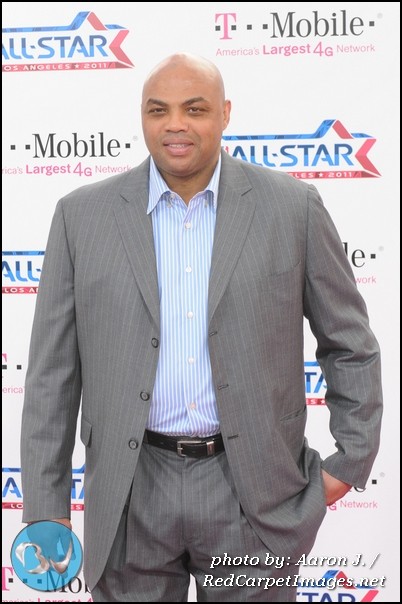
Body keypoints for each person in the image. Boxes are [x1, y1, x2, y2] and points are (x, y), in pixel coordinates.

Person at [20, 53, 383, 602]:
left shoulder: (292, 208)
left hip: (252, 494)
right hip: (130, 491)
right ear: (141, 117)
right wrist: (47, 509)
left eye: (195, 109)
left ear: (225, 113)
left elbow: (350, 344)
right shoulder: (81, 217)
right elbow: (50, 379)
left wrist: (349, 461)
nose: (176, 125)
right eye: (158, 110)